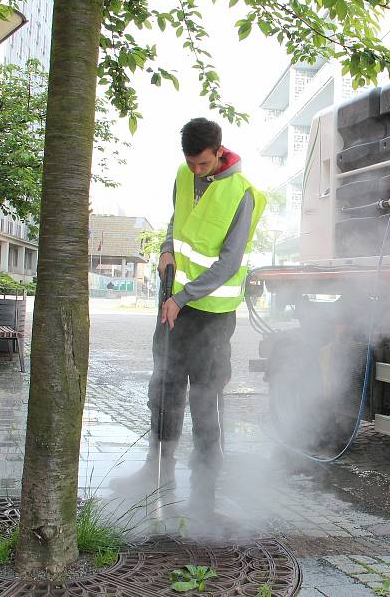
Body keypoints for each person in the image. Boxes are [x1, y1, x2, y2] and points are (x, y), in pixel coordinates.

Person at [111, 118, 265, 510]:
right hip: (173, 305)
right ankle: (156, 472)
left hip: (211, 314)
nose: (196, 170)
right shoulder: (183, 174)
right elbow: (176, 223)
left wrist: (184, 297)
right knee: (163, 387)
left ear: (218, 151)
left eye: (203, 163)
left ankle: (204, 492)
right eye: (191, 163)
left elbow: (230, 262)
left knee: (206, 398)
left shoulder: (242, 194)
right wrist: (165, 247)